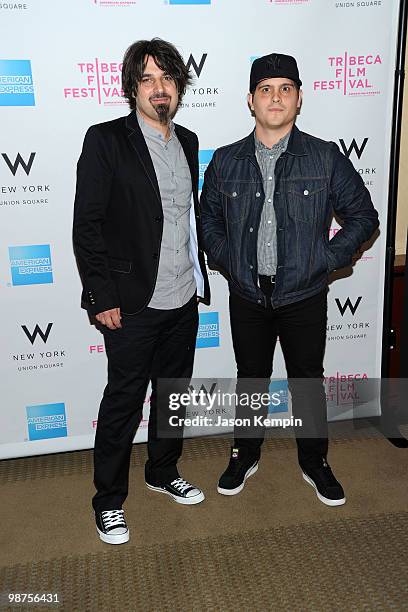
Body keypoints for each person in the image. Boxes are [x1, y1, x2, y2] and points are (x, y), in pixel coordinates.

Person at [200, 53, 379, 506]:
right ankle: (245, 451)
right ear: (250, 100)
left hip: (304, 292)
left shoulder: (324, 157)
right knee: (252, 377)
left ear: (299, 98)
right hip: (247, 292)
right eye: (265, 89)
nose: (275, 98)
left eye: (285, 89)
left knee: (306, 379)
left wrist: (325, 259)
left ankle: (314, 460)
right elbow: (207, 223)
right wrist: (231, 261)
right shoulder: (225, 161)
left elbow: (363, 216)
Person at [73, 38, 210, 545]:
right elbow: (86, 226)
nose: (159, 88)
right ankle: (108, 500)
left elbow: (186, 220)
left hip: (182, 297)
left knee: (173, 396)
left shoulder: (189, 141)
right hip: (131, 302)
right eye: (148, 79)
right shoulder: (106, 139)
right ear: (132, 87)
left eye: (168, 78)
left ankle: (162, 470)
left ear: (179, 87)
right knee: (124, 401)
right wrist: (101, 296)